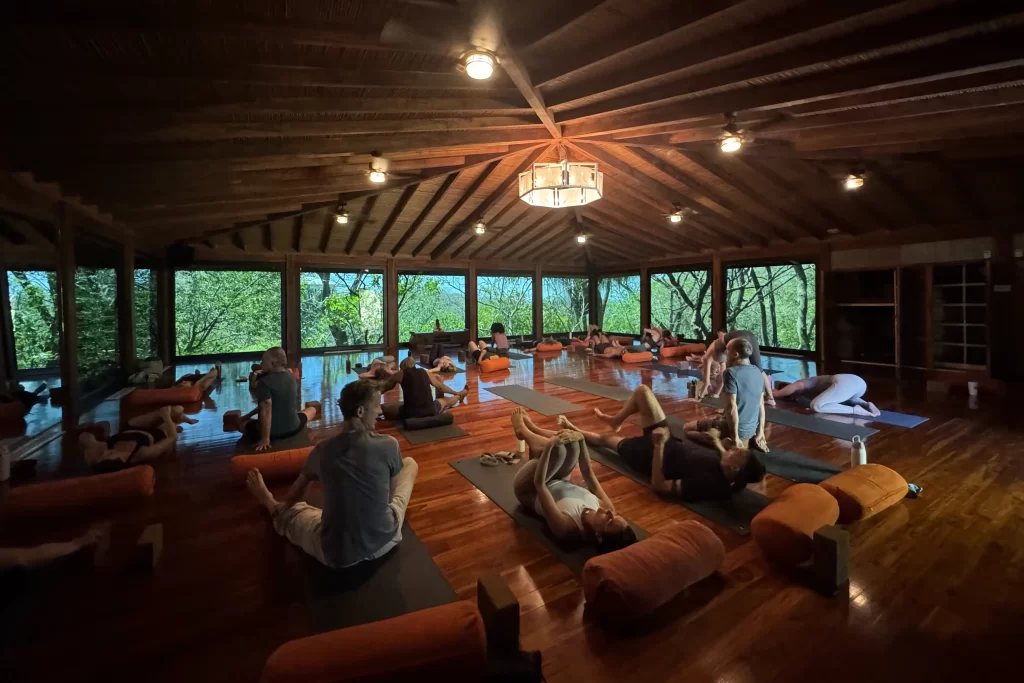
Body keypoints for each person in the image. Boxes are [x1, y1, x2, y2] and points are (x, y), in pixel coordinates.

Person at [245, 379, 419, 569]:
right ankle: (270, 501)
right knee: (409, 465)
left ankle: (271, 502)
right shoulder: (390, 444)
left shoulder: (322, 450)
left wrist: (286, 505)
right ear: (360, 412)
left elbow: (299, 487)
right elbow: (389, 497)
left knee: (294, 512)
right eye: (376, 406)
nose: (379, 411)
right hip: (387, 539)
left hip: (340, 555)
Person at [581, 385, 766, 500]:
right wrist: (716, 440)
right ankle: (616, 421)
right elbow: (723, 455)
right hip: (667, 438)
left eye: (737, 453)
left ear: (734, 468)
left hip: (648, 454)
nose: (733, 449)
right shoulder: (726, 467)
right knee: (642, 392)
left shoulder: (707, 484)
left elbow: (659, 486)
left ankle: (575, 432)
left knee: (604, 439)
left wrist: (659, 446)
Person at [510, 408, 637, 551]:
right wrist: (580, 439)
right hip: (559, 478)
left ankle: (523, 432)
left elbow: (539, 485)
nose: (609, 512)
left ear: (598, 536)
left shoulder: (568, 527)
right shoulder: (607, 508)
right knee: (573, 445)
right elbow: (588, 473)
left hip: (529, 488)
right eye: (614, 515)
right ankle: (533, 428)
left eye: (609, 520)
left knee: (558, 450)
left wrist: (550, 446)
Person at [695, 337, 769, 451]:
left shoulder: (730, 373)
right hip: (751, 430)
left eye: (727, 350)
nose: (725, 352)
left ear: (735, 354)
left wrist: (735, 438)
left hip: (733, 429)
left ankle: (719, 443)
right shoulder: (758, 372)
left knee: (687, 429)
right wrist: (761, 433)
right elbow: (761, 405)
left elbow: (732, 408)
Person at [236, 347, 315, 452]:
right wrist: (247, 415)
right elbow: (267, 405)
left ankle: (264, 435)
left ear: (272, 363)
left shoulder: (264, 382)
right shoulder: (292, 377)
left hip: (272, 434)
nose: (261, 363)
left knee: (240, 425)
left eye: (263, 361)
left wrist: (265, 438)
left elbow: (266, 409)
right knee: (312, 409)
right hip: (294, 428)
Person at [77, 405, 195, 474]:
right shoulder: (142, 453)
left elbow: (84, 437)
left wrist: (93, 444)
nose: (106, 452)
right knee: (177, 411)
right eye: (109, 453)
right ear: (120, 459)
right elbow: (173, 438)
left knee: (176, 410)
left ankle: (177, 420)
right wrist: (166, 416)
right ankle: (177, 421)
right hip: (155, 433)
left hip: (131, 427)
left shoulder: (100, 456)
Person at [698, 329, 775, 406]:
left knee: (734, 373)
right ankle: (771, 398)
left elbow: (707, 382)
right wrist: (716, 394)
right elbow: (722, 378)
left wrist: (700, 396)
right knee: (759, 369)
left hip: (739, 337)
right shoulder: (719, 353)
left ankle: (739, 400)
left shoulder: (706, 358)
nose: (717, 371)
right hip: (750, 335)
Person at [378, 357, 467, 419]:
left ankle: (370, 412)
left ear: (403, 367)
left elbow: (382, 389)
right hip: (430, 411)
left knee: (384, 408)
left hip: (409, 413)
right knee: (445, 401)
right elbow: (441, 386)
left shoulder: (400, 374)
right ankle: (460, 394)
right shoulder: (426, 372)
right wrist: (455, 392)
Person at [772, 374, 880, 417]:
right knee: (835, 399)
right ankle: (865, 404)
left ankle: (857, 410)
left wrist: (776, 394)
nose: (793, 397)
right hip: (858, 386)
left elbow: (795, 386)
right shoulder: (803, 394)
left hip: (845, 382)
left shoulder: (802, 382)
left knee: (816, 405)